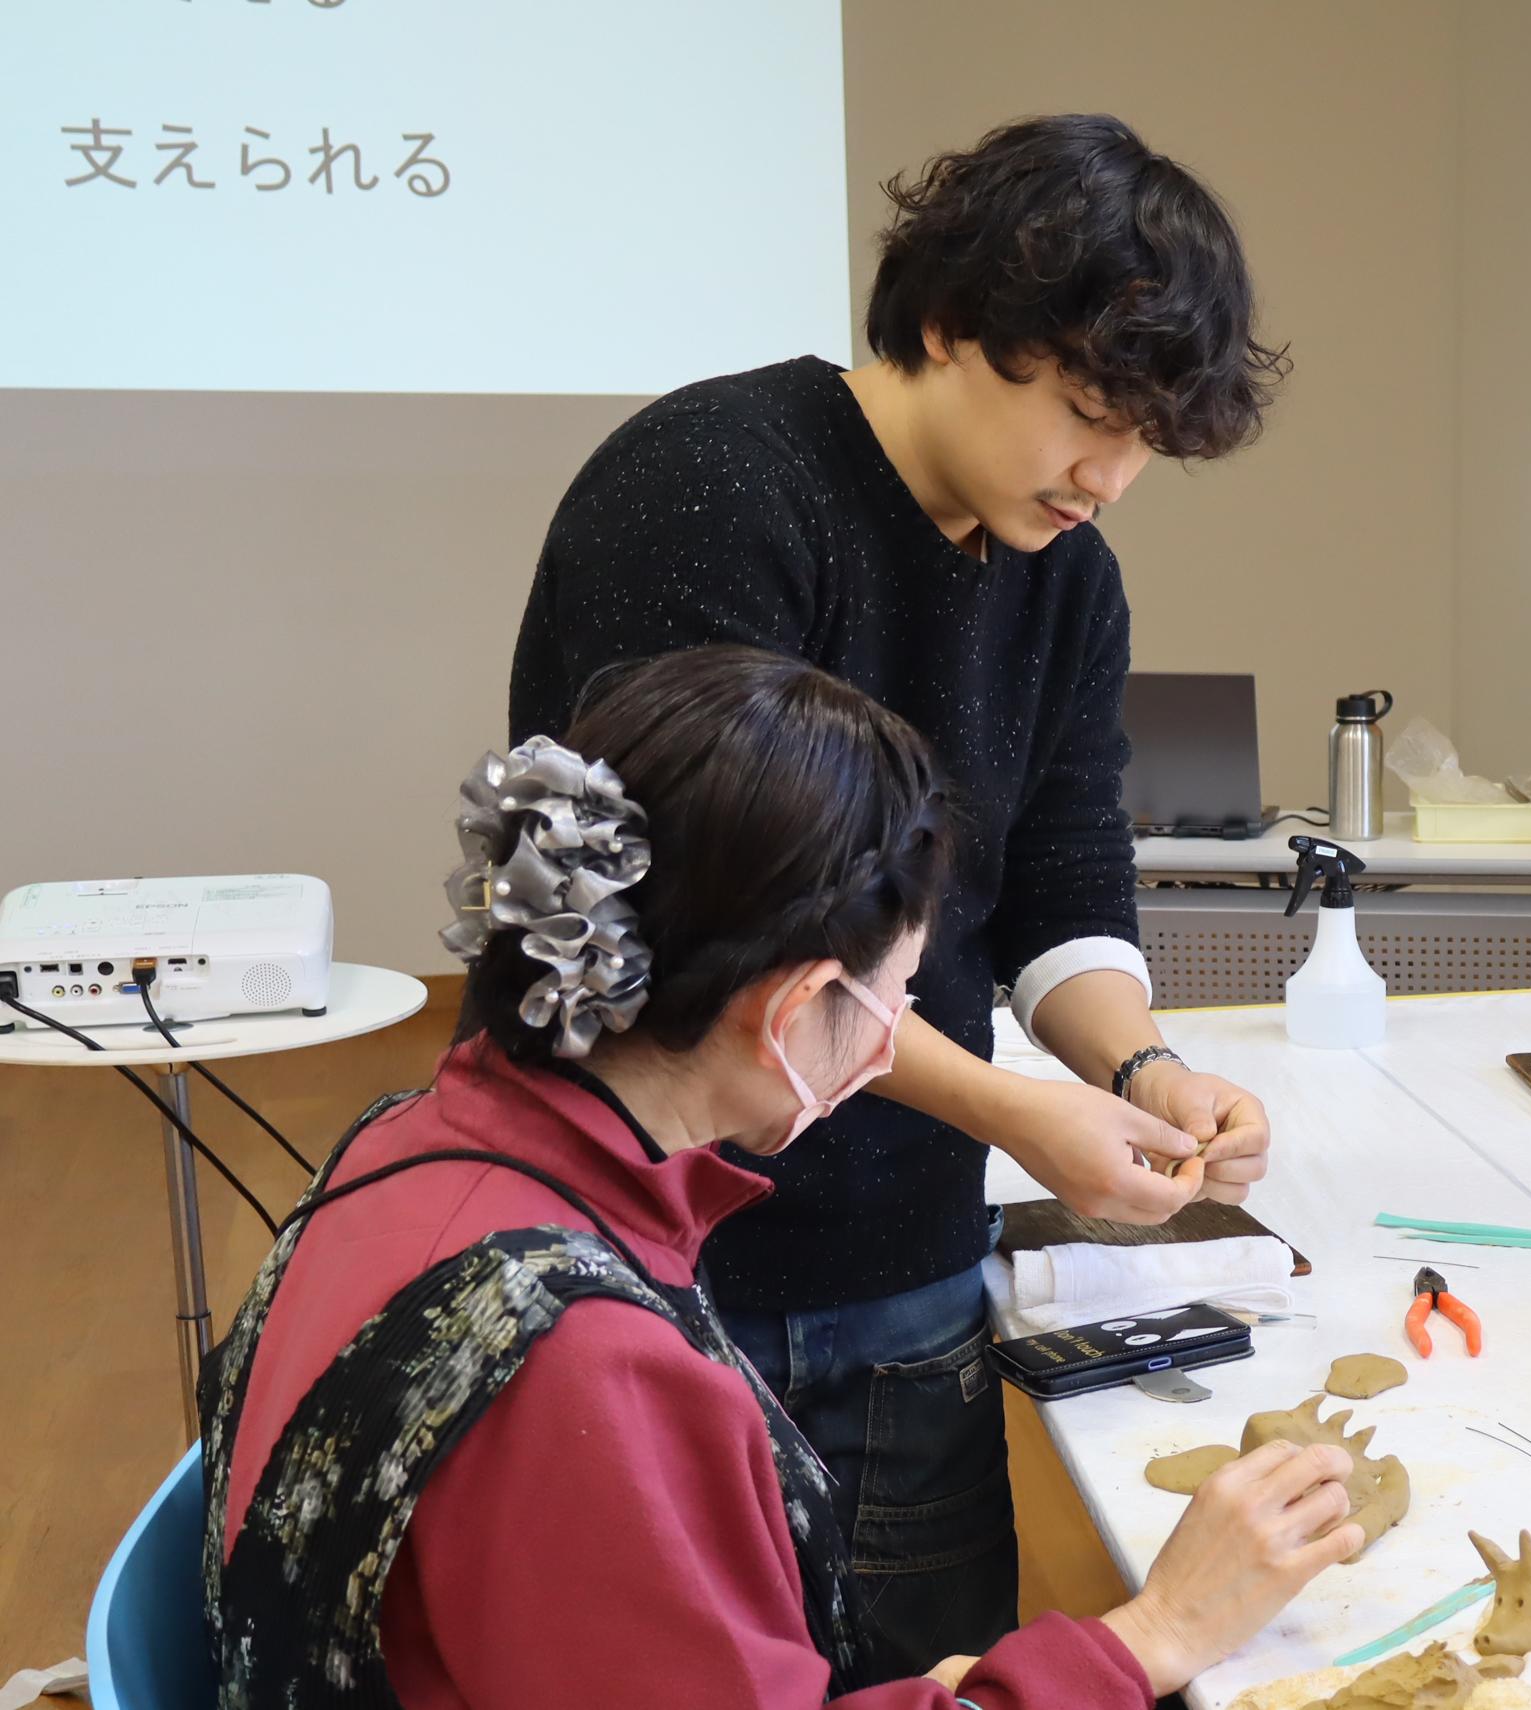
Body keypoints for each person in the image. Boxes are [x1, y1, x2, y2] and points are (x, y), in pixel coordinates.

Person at [201, 646, 1364, 1708]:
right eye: (900, 991)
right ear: (797, 1007)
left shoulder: (404, 1148)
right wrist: (1152, 1636)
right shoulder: (588, 1367)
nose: (898, 1023)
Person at [504, 113, 1286, 1674]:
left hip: (901, 1255)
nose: (1111, 477)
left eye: (1146, 440)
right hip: (656, 1249)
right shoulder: (714, 489)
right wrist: (1015, 1110)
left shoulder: (1067, 575)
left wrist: (1137, 1067)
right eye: (1088, 414)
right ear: (949, 322)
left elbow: (1061, 867)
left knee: (930, 1667)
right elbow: (723, 940)